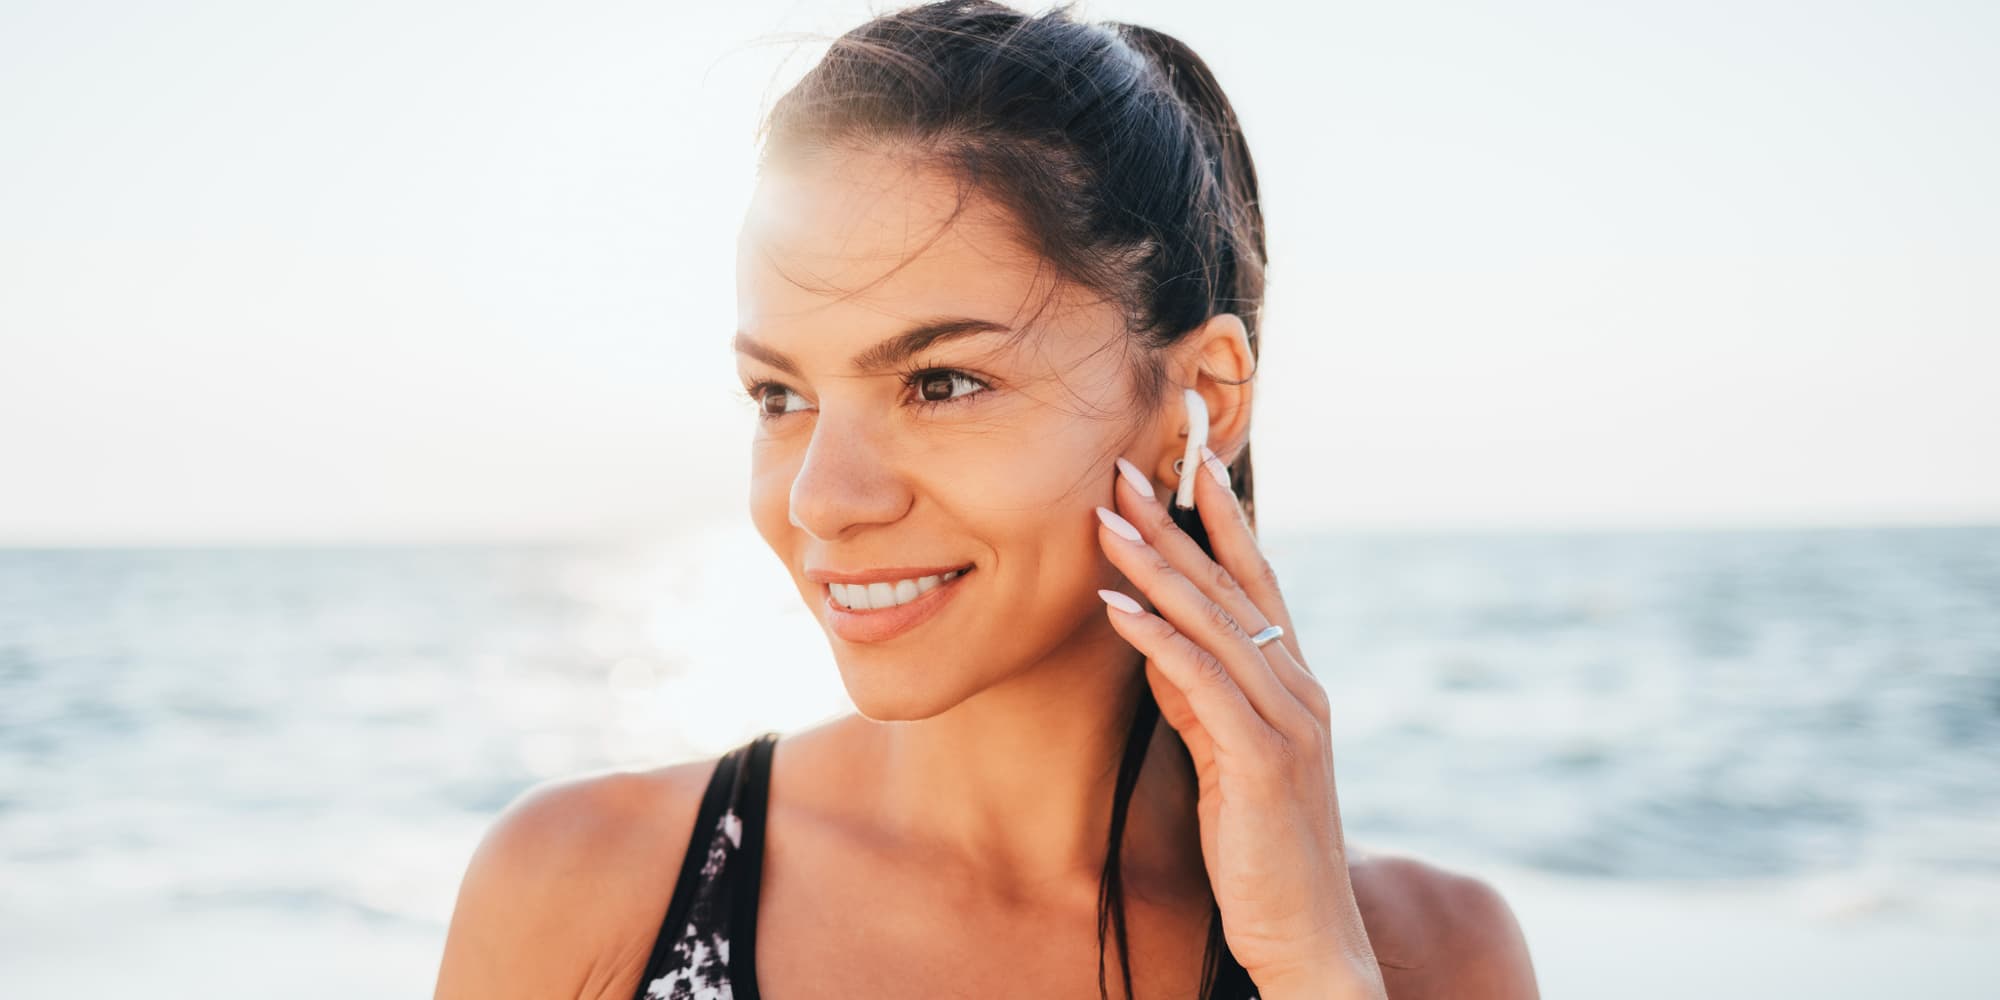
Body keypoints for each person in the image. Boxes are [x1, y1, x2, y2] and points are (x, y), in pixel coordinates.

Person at [433, 2, 1538, 997]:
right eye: (780, 395)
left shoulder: (1429, 957)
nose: (822, 499)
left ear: (1198, 399)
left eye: (941, 383)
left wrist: (1311, 967)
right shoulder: (588, 888)